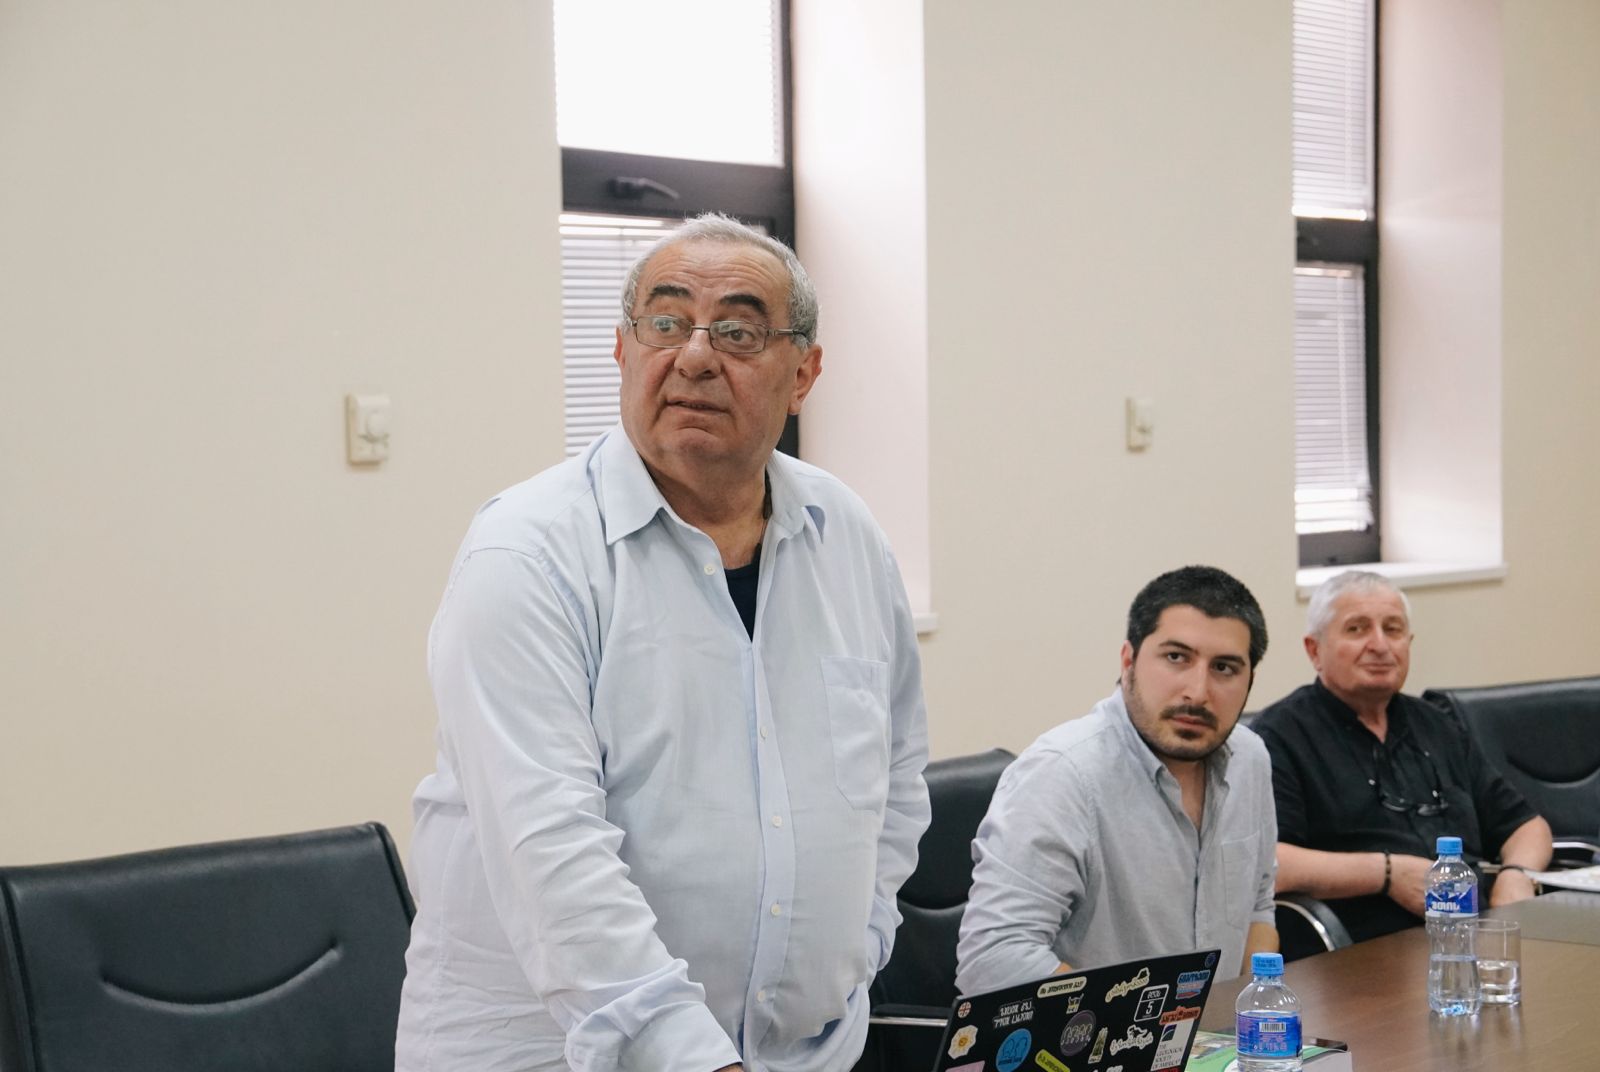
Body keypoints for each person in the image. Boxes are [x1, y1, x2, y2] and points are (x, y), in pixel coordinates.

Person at [394, 213, 931, 1072]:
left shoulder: (846, 535)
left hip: (802, 1052)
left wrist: (853, 952)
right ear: (622, 350)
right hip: (559, 1054)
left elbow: (896, 775)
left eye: (739, 331)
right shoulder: (527, 555)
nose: (695, 356)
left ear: (804, 373)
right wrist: (696, 1058)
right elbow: (551, 852)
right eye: (667, 322)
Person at [956, 566, 1280, 995]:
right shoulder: (1062, 774)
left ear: (1250, 681)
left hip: (1217, 1033)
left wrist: (1250, 1011)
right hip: (1090, 1035)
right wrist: (1134, 1024)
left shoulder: (1250, 759)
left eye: (1224, 668)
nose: (1198, 692)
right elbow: (994, 959)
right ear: (1129, 661)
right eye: (1176, 658)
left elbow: (1258, 906)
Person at [1253, 570, 1553, 944]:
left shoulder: (1437, 724)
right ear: (1314, 650)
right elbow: (1269, 862)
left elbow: (1526, 826)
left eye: (1392, 629)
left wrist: (1516, 874)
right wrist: (1386, 874)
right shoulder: (1280, 736)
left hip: (1478, 931)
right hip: (1366, 944)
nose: (1380, 645)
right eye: (1357, 629)